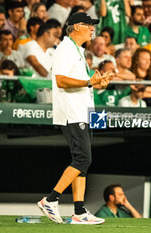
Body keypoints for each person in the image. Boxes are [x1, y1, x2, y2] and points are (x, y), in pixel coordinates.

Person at [37, 12, 112, 225]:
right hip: (72, 112)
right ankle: (51, 199)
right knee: (83, 159)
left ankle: (79, 212)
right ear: (77, 26)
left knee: (82, 163)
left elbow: (81, 82)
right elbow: (60, 81)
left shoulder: (77, 50)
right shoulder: (65, 48)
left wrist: (96, 83)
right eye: (89, 25)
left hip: (83, 111)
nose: (92, 29)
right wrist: (89, 83)